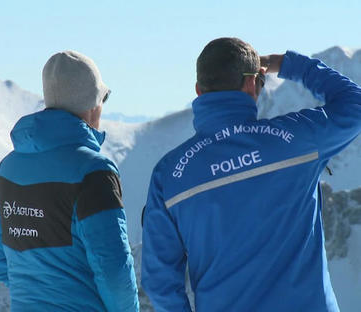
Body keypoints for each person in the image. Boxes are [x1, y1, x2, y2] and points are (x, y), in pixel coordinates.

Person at [141, 37, 361, 312]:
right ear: (250, 83)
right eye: (260, 82)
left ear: (199, 90)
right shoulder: (297, 140)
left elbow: (159, 281)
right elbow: (354, 104)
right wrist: (287, 64)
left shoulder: (170, 175)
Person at [0, 50, 139, 312]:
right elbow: (113, 269)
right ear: (94, 103)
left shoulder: (7, 169)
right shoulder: (94, 172)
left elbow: (0, 261)